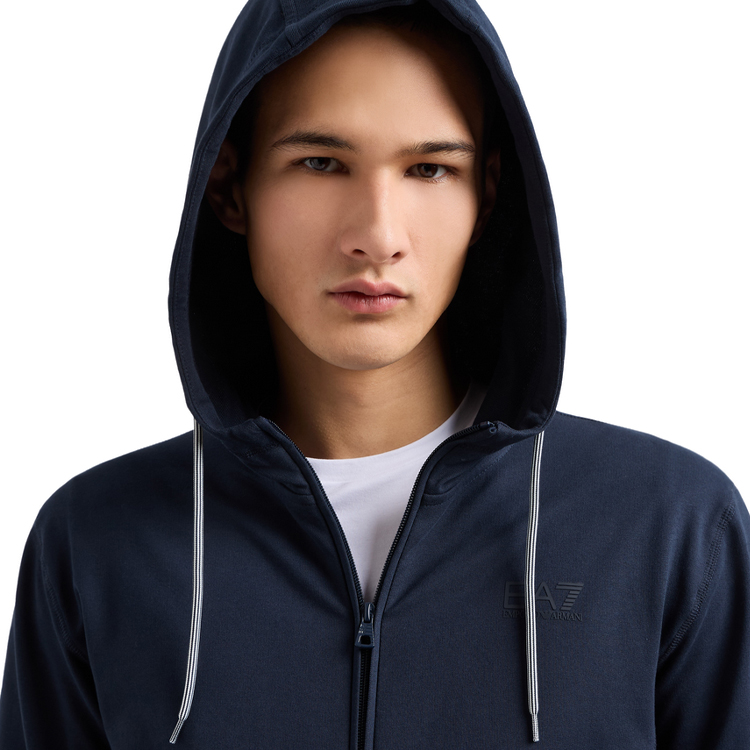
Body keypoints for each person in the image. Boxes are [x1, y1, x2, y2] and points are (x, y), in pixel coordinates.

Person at [1, 0, 748, 747]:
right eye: (321, 163)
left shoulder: (669, 529)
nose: (378, 236)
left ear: (487, 195)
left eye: (430, 169)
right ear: (230, 188)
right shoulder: (96, 543)